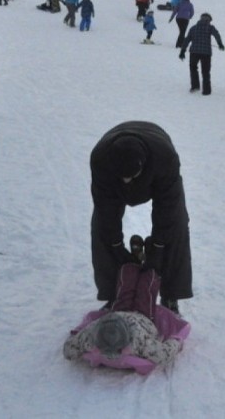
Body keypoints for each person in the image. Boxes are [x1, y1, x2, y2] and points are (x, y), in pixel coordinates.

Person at [89, 121, 193, 312]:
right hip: (113, 185)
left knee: (177, 225)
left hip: (156, 173)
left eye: (131, 176)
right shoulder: (100, 160)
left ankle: (171, 296)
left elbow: (167, 208)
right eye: (123, 177)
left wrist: (159, 247)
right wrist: (116, 246)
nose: (127, 181)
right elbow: (106, 209)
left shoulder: (165, 158)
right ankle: (114, 294)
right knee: (100, 228)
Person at [63, 309, 182, 367]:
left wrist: (176, 340)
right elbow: (68, 350)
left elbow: (164, 354)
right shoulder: (90, 333)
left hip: (142, 317)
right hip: (115, 313)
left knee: (146, 287)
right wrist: (176, 341)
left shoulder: (138, 338)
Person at [179, 12, 224, 95]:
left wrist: (182, 51)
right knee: (206, 71)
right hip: (206, 53)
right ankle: (206, 90)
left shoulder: (193, 28)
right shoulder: (210, 27)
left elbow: (187, 39)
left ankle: (195, 86)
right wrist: (220, 44)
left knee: (193, 68)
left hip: (194, 52)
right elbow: (216, 35)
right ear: (209, 20)